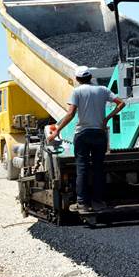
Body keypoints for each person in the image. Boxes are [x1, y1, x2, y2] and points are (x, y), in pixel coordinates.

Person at [47, 66, 125, 212]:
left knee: (82, 168)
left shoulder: (77, 92)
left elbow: (70, 114)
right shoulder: (102, 90)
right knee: (98, 168)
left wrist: (57, 130)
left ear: (77, 79)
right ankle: (98, 202)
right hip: (99, 134)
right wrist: (107, 118)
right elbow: (121, 103)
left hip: (82, 134)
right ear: (91, 77)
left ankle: (82, 202)